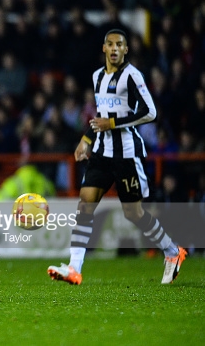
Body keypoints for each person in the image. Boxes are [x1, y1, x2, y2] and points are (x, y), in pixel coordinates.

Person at [47, 29, 186, 285]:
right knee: (85, 204)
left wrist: (113, 123)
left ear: (126, 49)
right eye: (110, 44)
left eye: (119, 44)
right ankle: (74, 268)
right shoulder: (97, 76)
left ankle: (172, 251)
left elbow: (150, 112)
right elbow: (101, 114)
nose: (114, 48)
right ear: (104, 48)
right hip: (101, 152)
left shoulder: (133, 76)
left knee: (133, 213)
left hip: (127, 153)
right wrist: (86, 139)